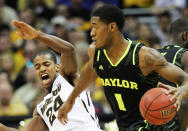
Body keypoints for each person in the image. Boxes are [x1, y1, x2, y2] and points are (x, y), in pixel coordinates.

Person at [57, 5, 188, 131]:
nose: (91, 33)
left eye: (96, 28)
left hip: (149, 124)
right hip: (123, 124)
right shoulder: (96, 52)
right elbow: (90, 72)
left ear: (112, 27)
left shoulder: (145, 57)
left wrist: (182, 89)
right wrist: (70, 100)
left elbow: (185, 79)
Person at [0, 20, 102, 131]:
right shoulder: (40, 109)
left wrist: (38, 35)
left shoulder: (67, 78)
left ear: (57, 67)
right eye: (37, 67)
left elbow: (68, 50)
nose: (42, 69)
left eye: (46, 64)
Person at [158, 18, 188, 131]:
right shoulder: (185, 55)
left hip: (150, 122)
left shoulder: (152, 55)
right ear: (185, 35)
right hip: (174, 125)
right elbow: (185, 103)